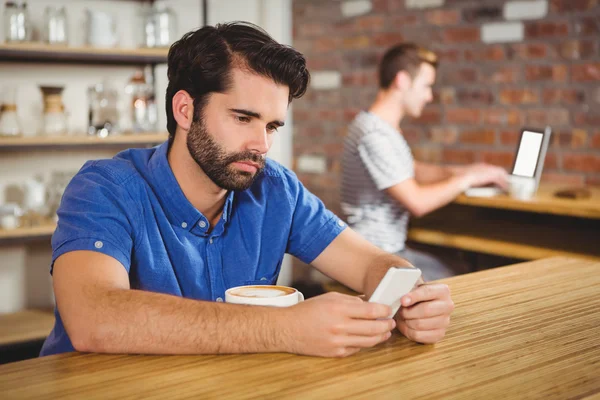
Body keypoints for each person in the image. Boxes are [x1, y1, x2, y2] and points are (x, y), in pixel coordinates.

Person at [40, 24, 454, 359]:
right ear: (185, 110)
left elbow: (371, 263)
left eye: (272, 126)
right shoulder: (104, 187)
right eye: (243, 118)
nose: (262, 145)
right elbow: (94, 316)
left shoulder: (275, 188)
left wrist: (413, 298)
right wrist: (286, 329)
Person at [341, 43, 508, 282]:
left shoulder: (382, 128)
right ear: (402, 81)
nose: (429, 96)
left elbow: (412, 171)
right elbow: (417, 202)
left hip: (388, 248)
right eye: (426, 86)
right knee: (462, 279)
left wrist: (466, 171)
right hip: (375, 255)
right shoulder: (373, 134)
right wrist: (467, 180)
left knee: (461, 267)